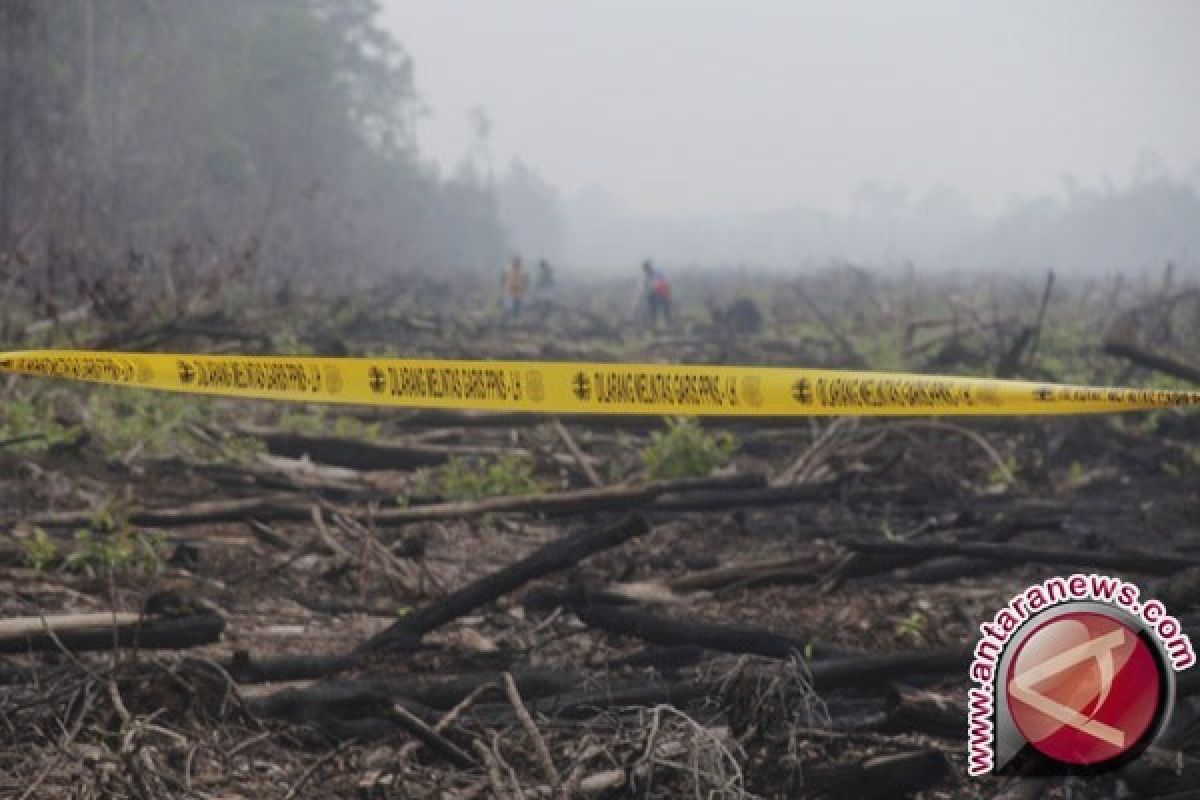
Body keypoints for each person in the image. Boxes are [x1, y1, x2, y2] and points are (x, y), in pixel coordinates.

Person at [641, 259, 671, 327]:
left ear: (649, 267)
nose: (646, 270)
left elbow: (664, 281)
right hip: (653, 294)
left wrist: (665, 290)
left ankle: (668, 323)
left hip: (662, 293)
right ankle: (654, 324)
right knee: (653, 310)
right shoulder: (646, 276)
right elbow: (645, 287)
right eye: (645, 269)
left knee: (666, 309)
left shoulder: (658, 272)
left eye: (647, 268)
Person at [502, 256, 527, 321]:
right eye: (516, 263)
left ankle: (515, 322)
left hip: (517, 295)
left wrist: (522, 291)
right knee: (509, 310)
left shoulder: (521, 273)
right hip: (510, 294)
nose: (517, 265)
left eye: (518, 263)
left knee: (516, 311)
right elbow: (508, 283)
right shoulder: (510, 272)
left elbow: (523, 284)